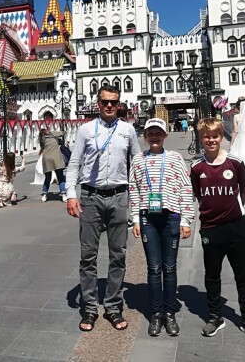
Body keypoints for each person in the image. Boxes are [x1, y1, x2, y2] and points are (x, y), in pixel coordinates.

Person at [66, 85, 141, 332]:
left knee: (118, 255)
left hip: (119, 197)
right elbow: (74, 163)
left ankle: (112, 306)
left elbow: (138, 164)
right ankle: (89, 308)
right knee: (88, 256)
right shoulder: (85, 130)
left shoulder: (127, 130)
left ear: (120, 104)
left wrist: (141, 200)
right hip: (90, 197)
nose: (110, 106)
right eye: (105, 102)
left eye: (114, 102)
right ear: (97, 103)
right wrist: (70, 195)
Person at [189, 117, 245, 343]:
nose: (211, 140)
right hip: (211, 229)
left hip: (236, 227)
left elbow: (244, 192)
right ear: (201, 139)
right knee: (212, 275)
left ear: (221, 137)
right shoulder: (196, 166)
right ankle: (215, 315)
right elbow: (198, 195)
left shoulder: (235, 162)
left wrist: (232, 210)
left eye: (215, 136)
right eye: (207, 137)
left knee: (242, 275)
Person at [129, 118, 194, 337]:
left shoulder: (174, 158)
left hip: (171, 217)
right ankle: (156, 313)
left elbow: (185, 188)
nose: (154, 136)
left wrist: (186, 219)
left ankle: (169, 312)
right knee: (154, 267)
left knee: (170, 267)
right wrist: (136, 220)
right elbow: (134, 190)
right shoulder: (138, 160)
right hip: (148, 218)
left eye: (158, 132)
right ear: (145, 136)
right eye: (150, 133)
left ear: (165, 135)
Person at [39, 128, 67, 202]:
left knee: (48, 177)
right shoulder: (53, 135)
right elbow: (63, 132)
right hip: (56, 158)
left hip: (46, 158)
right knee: (60, 177)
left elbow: (42, 148)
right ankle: (63, 195)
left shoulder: (42, 139)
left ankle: (44, 195)